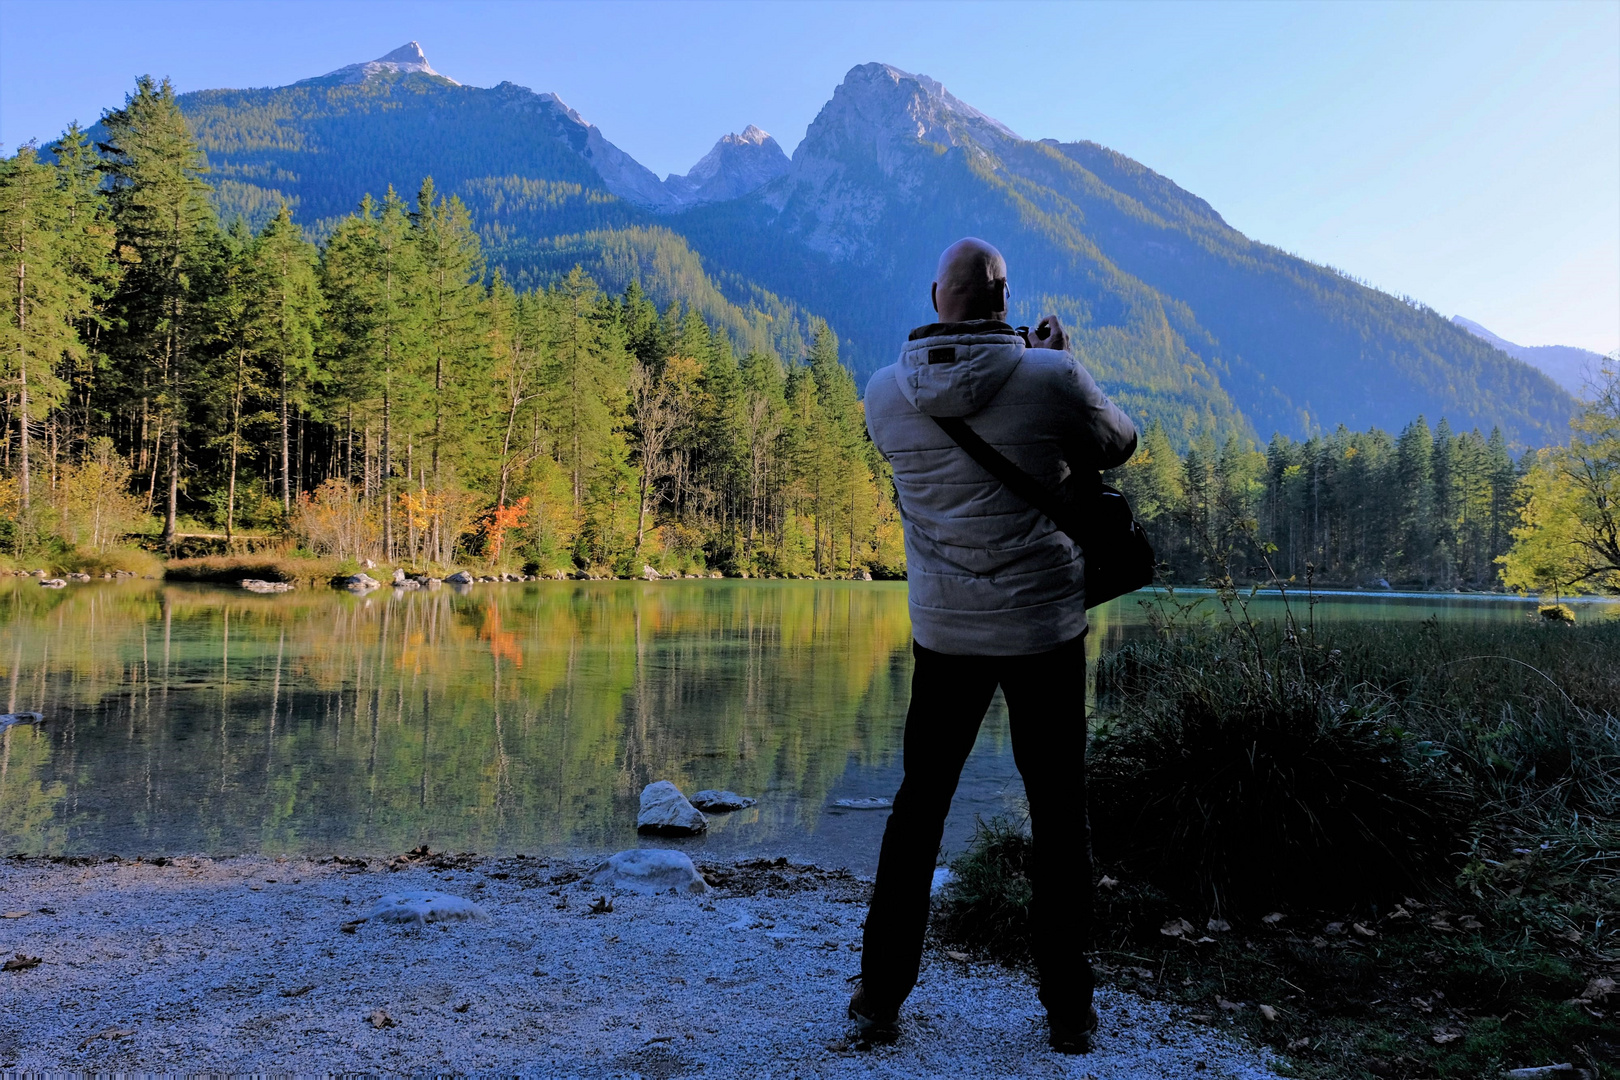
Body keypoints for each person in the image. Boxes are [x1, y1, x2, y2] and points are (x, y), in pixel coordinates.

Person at [851, 237, 1138, 1053]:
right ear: (1005, 300)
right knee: (1056, 812)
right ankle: (1068, 1012)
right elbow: (1118, 444)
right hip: (1045, 633)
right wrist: (1060, 364)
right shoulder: (1051, 379)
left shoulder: (883, 395)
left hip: (945, 634)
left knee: (918, 810)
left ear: (937, 295)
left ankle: (879, 997)